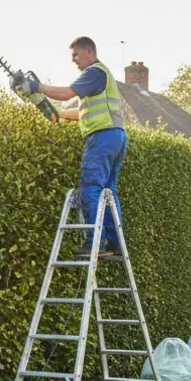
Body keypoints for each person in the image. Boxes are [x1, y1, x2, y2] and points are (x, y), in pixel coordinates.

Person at [15, 36, 127, 258]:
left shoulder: (94, 72)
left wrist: (36, 86)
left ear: (89, 51)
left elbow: (66, 93)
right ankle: (114, 244)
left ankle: (96, 242)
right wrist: (54, 113)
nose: (73, 60)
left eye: (75, 55)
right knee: (108, 192)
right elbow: (80, 112)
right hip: (115, 136)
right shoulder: (100, 77)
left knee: (91, 188)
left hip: (101, 137)